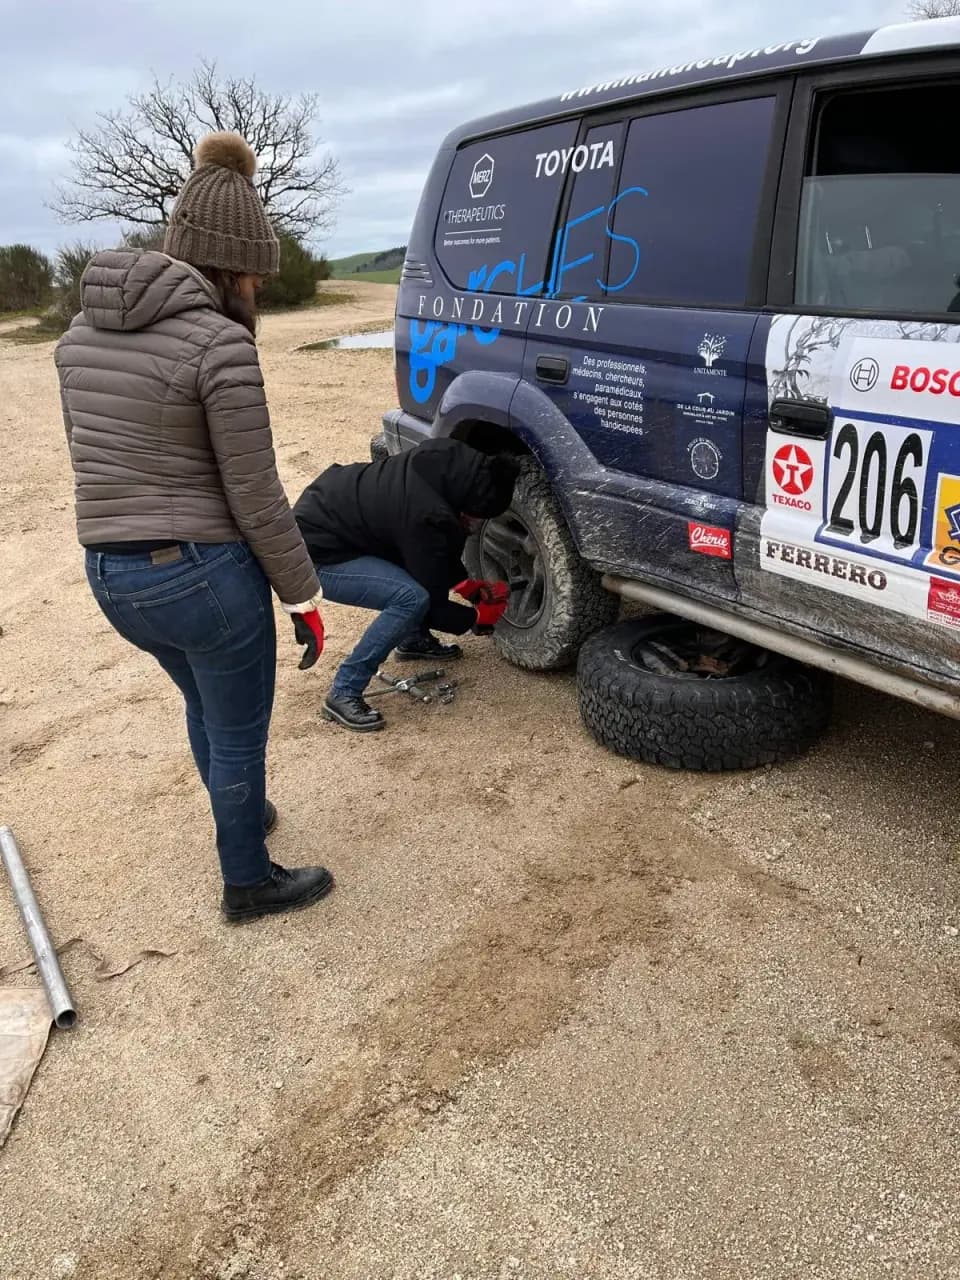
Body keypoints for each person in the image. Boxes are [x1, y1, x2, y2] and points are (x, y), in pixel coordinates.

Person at [55, 131, 331, 924]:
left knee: (205, 703)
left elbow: (89, 457)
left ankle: (236, 810)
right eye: (255, 274)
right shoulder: (219, 344)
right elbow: (256, 492)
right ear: (228, 265)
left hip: (111, 575)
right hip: (202, 576)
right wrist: (303, 593)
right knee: (239, 725)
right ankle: (248, 881)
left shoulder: (77, 338)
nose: (261, 292)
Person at [292, 439, 519, 731]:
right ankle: (344, 691)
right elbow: (431, 599)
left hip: (338, 521)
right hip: (314, 556)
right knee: (409, 599)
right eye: (475, 517)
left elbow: (430, 556)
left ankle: (414, 640)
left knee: (410, 568)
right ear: (468, 502)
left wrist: (468, 587)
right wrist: (476, 618)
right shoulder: (426, 514)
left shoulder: (444, 464)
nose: (474, 524)